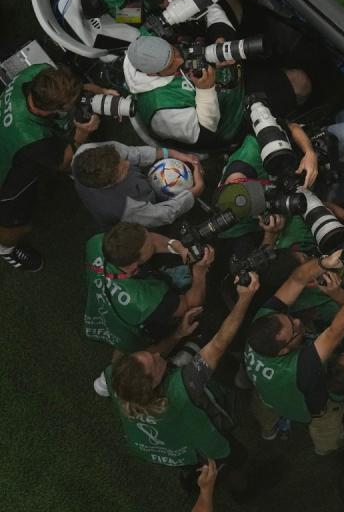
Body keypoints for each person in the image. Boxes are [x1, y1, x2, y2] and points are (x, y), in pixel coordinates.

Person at [108, 272, 258, 487]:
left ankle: (191, 475)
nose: (158, 354)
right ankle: (240, 485)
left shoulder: (118, 380)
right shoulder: (185, 386)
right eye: (155, 362)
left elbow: (154, 354)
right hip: (205, 441)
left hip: (162, 447)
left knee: (190, 461)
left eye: (149, 353)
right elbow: (219, 344)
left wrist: (178, 334)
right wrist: (245, 299)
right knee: (233, 456)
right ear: (154, 384)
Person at [243, 258, 344, 455]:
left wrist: (325, 262)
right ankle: (325, 447)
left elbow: (297, 279)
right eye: (294, 330)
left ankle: (268, 431)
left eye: (289, 318)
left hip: (265, 391)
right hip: (307, 405)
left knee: (265, 407)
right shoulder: (301, 368)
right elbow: (335, 332)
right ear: (283, 351)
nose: (296, 321)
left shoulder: (263, 327)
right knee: (325, 421)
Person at [0, 65, 105, 271]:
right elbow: (63, 162)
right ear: (50, 110)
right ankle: (5, 248)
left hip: (10, 141)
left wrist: (102, 94)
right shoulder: (32, 139)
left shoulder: (37, 74)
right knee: (20, 225)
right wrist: (82, 133)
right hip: (7, 177)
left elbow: (74, 88)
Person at [124, 35, 310, 148]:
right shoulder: (162, 112)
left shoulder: (146, 43)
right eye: (170, 65)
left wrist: (220, 40)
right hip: (236, 117)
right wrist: (205, 90)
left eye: (175, 52)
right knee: (301, 83)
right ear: (151, 73)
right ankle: (305, 113)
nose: (180, 61)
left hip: (233, 78)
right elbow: (206, 135)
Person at [83, 223, 211, 356]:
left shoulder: (97, 242)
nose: (153, 239)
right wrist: (199, 272)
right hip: (134, 328)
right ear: (133, 265)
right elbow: (191, 304)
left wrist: (177, 246)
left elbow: (149, 240)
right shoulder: (147, 301)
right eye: (150, 245)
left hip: (105, 312)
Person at [72, 141, 203, 228]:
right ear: (110, 184)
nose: (128, 163)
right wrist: (196, 190)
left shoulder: (86, 151)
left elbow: (134, 153)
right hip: (130, 214)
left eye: (121, 160)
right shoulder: (126, 208)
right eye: (122, 170)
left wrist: (172, 153)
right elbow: (166, 213)